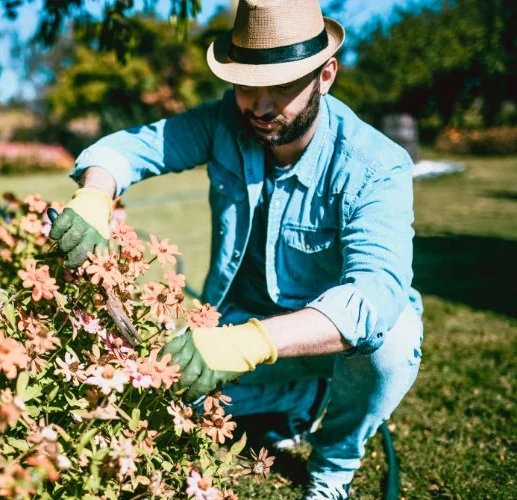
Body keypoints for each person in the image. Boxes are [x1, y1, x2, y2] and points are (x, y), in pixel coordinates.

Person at [48, 0, 424, 497]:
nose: (260, 107)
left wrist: (247, 344)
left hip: (318, 346)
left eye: (283, 87)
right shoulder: (227, 121)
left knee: (393, 341)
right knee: (155, 404)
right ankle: (293, 399)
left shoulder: (376, 164)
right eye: (246, 85)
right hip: (230, 325)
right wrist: (95, 194)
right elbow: (131, 147)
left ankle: (332, 471)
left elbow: (376, 294)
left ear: (326, 74)